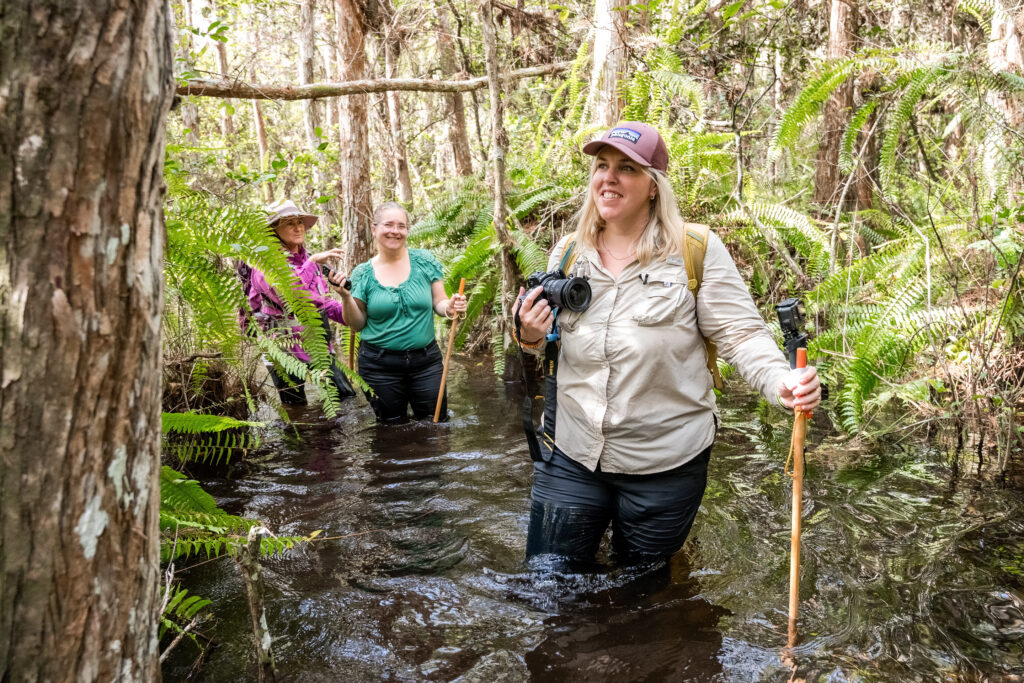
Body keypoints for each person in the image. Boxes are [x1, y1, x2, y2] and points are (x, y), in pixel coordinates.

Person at [512, 122, 822, 565]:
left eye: (627, 168)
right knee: (548, 582)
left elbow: (741, 334)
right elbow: (540, 344)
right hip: (572, 451)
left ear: (653, 187)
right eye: (602, 166)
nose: (609, 178)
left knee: (643, 598)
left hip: (665, 462)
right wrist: (529, 333)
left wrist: (781, 381)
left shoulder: (695, 250)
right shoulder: (567, 252)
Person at [337, 202, 467, 422]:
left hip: (426, 362)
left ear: (407, 230)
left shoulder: (424, 262)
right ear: (374, 228)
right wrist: (345, 297)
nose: (395, 231)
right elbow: (357, 324)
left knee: (435, 425)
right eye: (389, 225)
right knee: (391, 430)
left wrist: (450, 307)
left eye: (401, 226)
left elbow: (440, 302)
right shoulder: (363, 273)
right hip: (378, 365)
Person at [239, 198, 356, 405]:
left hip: (317, 343)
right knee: (295, 407)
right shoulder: (264, 265)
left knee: (344, 398)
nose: (298, 228)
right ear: (273, 230)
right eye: (290, 223)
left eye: (300, 222)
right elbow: (293, 297)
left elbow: (321, 303)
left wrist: (352, 309)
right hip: (282, 346)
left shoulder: (307, 259)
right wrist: (312, 263)